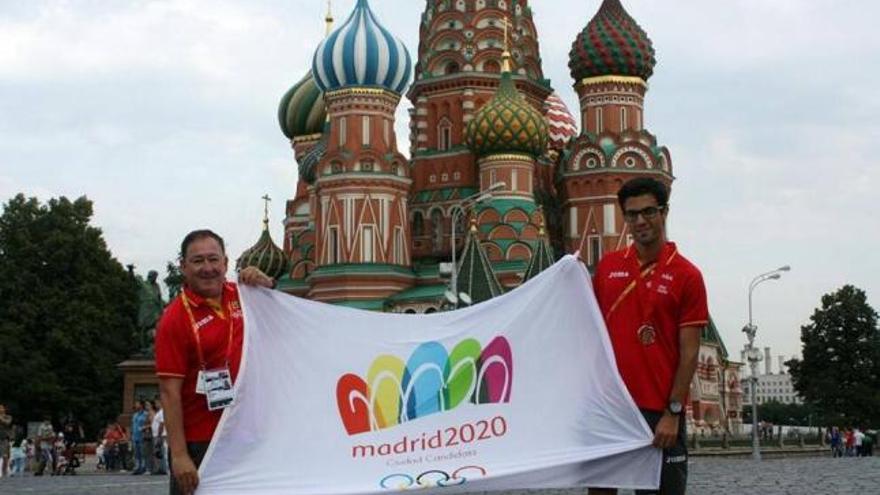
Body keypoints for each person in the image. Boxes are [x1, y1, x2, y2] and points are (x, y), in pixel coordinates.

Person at [590, 177, 708, 495]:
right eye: (632, 214)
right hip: (612, 407)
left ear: (664, 212)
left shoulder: (688, 275)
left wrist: (673, 412)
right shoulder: (607, 268)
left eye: (648, 212)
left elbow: (689, 354)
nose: (640, 221)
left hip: (659, 412)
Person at [155, 229, 273, 495]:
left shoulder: (245, 296)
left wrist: (268, 284)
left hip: (246, 434)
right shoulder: (173, 319)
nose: (207, 268)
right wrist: (179, 455)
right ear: (183, 267)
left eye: (213, 259)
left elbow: (281, 315)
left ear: (226, 263)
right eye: (197, 261)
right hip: (201, 441)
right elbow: (169, 391)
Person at [152, 398, 168, 475]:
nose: (156, 405)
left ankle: (165, 469)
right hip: (158, 434)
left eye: (157, 403)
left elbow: (162, 424)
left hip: (162, 434)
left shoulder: (162, 412)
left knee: (164, 451)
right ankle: (161, 468)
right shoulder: (159, 412)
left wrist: (159, 435)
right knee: (159, 452)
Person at [131, 400, 147, 474]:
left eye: (137, 404)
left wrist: (144, 428)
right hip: (135, 436)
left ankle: (143, 467)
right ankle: (137, 467)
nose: (136, 405)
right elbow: (133, 425)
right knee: (136, 453)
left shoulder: (145, 414)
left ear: (141, 405)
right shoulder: (135, 415)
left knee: (142, 452)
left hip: (142, 436)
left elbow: (149, 423)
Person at [0, 404, 12, 478]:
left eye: (1, 408)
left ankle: (5, 469)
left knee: (4, 455)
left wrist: (0, 418)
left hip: (4, 438)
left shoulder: (8, 417)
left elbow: (7, 423)